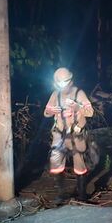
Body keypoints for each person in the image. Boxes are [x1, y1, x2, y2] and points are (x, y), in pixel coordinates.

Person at [43, 67, 94, 203]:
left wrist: (78, 108)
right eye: (59, 82)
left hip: (76, 133)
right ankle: (61, 194)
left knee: (79, 162)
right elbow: (46, 112)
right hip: (59, 134)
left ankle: (82, 195)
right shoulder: (55, 94)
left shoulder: (79, 93)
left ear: (70, 80)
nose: (62, 85)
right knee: (56, 162)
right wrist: (51, 111)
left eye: (64, 82)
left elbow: (90, 112)